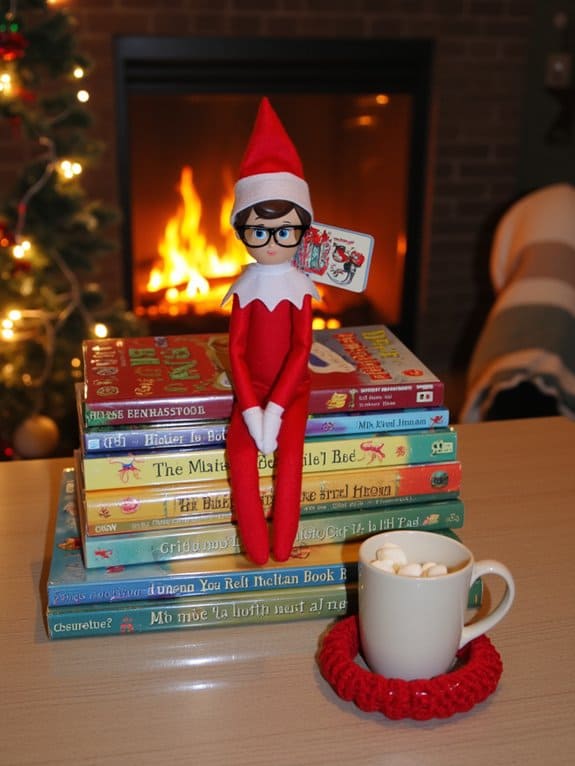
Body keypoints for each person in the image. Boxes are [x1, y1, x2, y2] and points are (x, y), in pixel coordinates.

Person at [222, 97, 318, 564]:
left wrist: (276, 411)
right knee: (240, 456)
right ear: (242, 232)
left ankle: (283, 546)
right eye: (260, 232)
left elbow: (302, 349)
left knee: (290, 460)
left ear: (302, 231)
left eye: (285, 231)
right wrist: (251, 410)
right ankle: (257, 550)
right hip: (250, 393)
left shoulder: (301, 289)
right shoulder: (244, 289)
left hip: (292, 393)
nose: (273, 241)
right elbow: (236, 352)